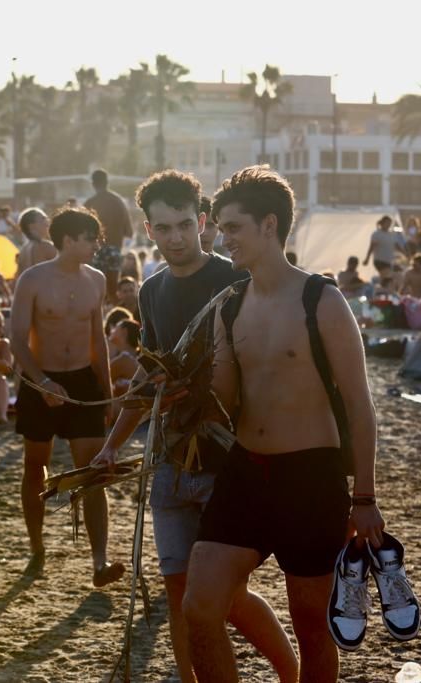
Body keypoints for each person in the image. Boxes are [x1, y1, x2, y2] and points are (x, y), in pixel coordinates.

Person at [92, 170, 296, 682]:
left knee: (225, 598)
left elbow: (264, 368)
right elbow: (150, 372)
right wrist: (111, 445)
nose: (176, 238)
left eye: (185, 224)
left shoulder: (234, 281)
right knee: (180, 595)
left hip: (227, 462)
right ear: (148, 230)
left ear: (203, 221)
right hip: (169, 461)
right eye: (163, 228)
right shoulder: (153, 290)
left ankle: (291, 676)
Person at [182, 166, 383, 681]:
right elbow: (224, 401)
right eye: (220, 228)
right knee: (200, 607)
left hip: (311, 479)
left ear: (269, 226)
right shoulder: (229, 308)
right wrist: (185, 385)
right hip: (245, 471)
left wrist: (365, 498)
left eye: (232, 228)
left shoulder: (323, 301)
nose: (221, 238)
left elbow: (360, 405)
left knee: (311, 624)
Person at [10, 206, 120, 585]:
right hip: (41, 380)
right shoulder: (33, 280)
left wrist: (107, 394)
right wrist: (41, 382)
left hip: (82, 382)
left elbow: (99, 340)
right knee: (34, 466)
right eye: (90, 238)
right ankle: (37, 546)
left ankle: (100, 561)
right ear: (68, 240)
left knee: (93, 473)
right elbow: (16, 339)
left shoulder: (97, 280)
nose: (95, 245)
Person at [85, 169, 134, 299]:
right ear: (107, 182)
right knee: (113, 290)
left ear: (93, 184)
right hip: (114, 249)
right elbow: (129, 231)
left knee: (94, 289)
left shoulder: (89, 203)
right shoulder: (118, 202)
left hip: (94, 250)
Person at [15, 208, 57, 282]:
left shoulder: (24, 249)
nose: (48, 223)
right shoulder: (44, 246)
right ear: (32, 226)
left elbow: (18, 278)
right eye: (43, 219)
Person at [107, 318, 140, 398]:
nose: (112, 330)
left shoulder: (125, 359)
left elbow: (101, 377)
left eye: (115, 327)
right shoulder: (134, 357)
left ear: (124, 332)